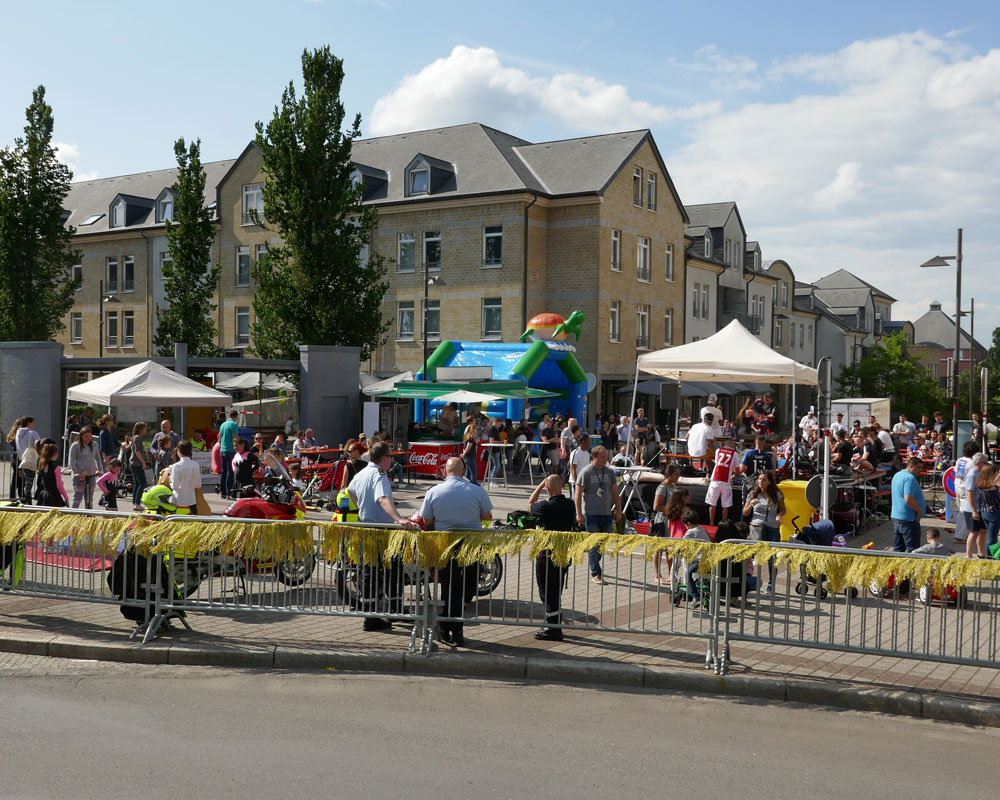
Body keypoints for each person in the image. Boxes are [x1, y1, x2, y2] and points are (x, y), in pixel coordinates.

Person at [419, 457, 493, 646]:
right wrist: (479, 527)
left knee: (449, 586)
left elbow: (426, 520)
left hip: (445, 545)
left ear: (445, 470)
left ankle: (447, 623)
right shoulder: (477, 490)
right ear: (464, 470)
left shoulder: (433, 491)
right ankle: (454, 626)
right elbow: (487, 517)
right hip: (470, 544)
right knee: (468, 585)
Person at [348, 441, 420, 632]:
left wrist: (362, 507)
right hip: (382, 530)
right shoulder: (379, 475)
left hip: (367, 527)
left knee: (370, 571)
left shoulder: (362, 472)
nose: (392, 460)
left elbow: (349, 491)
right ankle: (387, 614)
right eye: (391, 456)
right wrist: (399, 519)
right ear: (384, 458)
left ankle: (375, 614)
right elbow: (383, 499)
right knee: (391, 570)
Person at [573, 445, 622, 585]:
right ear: (594, 457)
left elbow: (615, 493)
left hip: (606, 513)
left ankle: (594, 563)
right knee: (595, 544)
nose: (605, 460)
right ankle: (595, 572)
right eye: (602, 457)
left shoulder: (609, 472)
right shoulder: (586, 472)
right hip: (591, 514)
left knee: (603, 543)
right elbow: (578, 493)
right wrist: (579, 513)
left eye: (606, 457)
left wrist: (618, 510)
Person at [742, 470, 785, 591]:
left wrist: (779, 515)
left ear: (770, 482)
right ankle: (745, 578)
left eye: (764, 479)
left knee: (772, 557)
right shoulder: (753, 494)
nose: (760, 481)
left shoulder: (776, 494)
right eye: (759, 479)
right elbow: (744, 512)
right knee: (751, 554)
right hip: (756, 527)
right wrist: (750, 504)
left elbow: (783, 509)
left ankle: (771, 583)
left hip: (772, 527)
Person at [651, 464, 680, 584]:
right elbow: (656, 506)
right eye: (676, 474)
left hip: (672, 521)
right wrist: (671, 509)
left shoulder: (674, 486)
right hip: (662, 521)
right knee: (659, 548)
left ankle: (670, 574)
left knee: (670, 549)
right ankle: (657, 575)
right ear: (669, 475)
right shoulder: (662, 487)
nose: (678, 477)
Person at [890, 456, 926, 553]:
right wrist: (919, 510)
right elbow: (908, 498)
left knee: (898, 549)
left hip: (897, 516)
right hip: (908, 519)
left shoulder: (898, 475)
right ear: (911, 466)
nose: (920, 470)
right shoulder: (909, 478)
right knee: (913, 551)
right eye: (918, 467)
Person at [705, 438, 736, 526]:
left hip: (715, 479)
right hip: (726, 481)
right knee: (725, 505)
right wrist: (735, 476)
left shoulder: (718, 451)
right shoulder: (734, 454)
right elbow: (737, 469)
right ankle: (724, 524)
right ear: (732, 445)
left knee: (712, 503)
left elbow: (717, 461)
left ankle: (711, 522)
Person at [963, 452, 988, 559]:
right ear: (978, 463)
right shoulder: (972, 475)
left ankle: (981, 552)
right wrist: (974, 510)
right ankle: (968, 555)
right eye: (984, 463)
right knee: (974, 532)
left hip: (981, 507)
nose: (986, 465)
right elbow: (969, 492)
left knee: (983, 530)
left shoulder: (979, 473)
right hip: (972, 508)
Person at [69, 425, 100, 509]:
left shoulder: (94, 444)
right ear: (81, 436)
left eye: (90, 436)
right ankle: (72, 515)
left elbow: (98, 458)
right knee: (77, 497)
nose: (88, 438)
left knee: (89, 498)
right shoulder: (75, 445)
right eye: (86, 436)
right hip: (80, 475)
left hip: (91, 474)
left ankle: (89, 516)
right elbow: (71, 461)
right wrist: (76, 473)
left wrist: (100, 470)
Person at [974, 462, 1000, 558]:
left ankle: (989, 554)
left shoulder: (980, 485)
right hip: (994, 513)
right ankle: (990, 557)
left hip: (984, 512)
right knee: (992, 538)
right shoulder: (992, 488)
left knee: (990, 535)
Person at [169, 440, 202, 514]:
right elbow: (198, 485)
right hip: (191, 499)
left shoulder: (176, 466)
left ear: (179, 451)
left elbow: (175, 486)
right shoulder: (195, 465)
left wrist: (170, 480)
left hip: (178, 500)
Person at [34, 442, 68, 508]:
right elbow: (59, 485)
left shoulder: (42, 466)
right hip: (54, 496)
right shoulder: (56, 468)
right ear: (55, 454)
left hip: (43, 494)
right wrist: (66, 497)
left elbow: (39, 483)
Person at [218, 410, 239, 500]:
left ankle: (223, 492)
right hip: (230, 450)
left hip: (222, 449)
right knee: (230, 472)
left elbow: (219, 438)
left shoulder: (223, 424)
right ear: (236, 417)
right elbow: (235, 438)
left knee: (223, 472)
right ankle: (229, 492)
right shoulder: (234, 424)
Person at [130, 422, 150, 511]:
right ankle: (137, 503)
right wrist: (143, 462)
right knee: (142, 483)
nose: (146, 430)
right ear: (141, 429)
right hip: (136, 463)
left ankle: (135, 502)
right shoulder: (138, 437)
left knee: (137, 483)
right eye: (145, 428)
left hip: (133, 463)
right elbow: (137, 451)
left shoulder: (135, 437)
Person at [18, 437, 41, 505]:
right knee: (28, 486)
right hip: (31, 468)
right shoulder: (37, 452)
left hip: (26, 467)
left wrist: (20, 469)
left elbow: (23, 457)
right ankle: (29, 503)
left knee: (27, 486)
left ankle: (28, 501)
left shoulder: (29, 450)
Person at [462, 419, 479, 484]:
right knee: (473, 472)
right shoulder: (471, 438)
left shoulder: (468, 436)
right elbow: (469, 446)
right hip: (470, 456)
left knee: (468, 472)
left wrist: (475, 434)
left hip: (468, 456)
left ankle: (466, 483)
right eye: (475, 429)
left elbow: (478, 441)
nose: (476, 430)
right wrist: (464, 453)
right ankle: (473, 483)